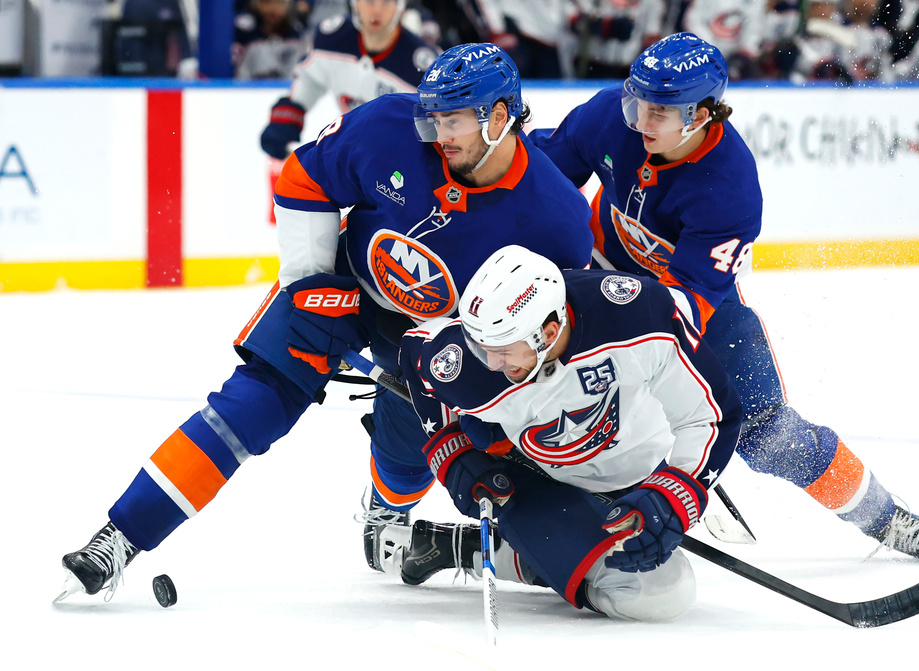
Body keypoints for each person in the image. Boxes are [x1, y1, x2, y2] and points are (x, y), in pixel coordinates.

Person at [55, 43, 595, 603]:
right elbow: (303, 178)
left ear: (499, 118)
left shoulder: (556, 218)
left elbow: (550, 326)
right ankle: (121, 536)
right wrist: (309, 284)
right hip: (343, 285)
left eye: (452, 121)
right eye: (434, 118)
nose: (438, 134)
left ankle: (387, 513)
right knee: (250, 405)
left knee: (409, 448)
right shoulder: (389, 127)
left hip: (440, 335)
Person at [529, 32, 919, 563]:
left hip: (697, 307)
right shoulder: (607, 117)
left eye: (659, 112)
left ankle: (887, 518)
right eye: (637, 102)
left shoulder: (729, 186)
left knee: (770, 435)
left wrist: (635, 367)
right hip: (592, 273)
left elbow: (683, 307)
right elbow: (537, 186)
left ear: (700, 114)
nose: (640, 121)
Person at [376, 245, 742, 621]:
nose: (491, 363)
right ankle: (477, 548)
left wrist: (676, 491)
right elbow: (418, 356)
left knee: (653, 576)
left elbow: (712, 415)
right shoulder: (470, 363)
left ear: (548, 333)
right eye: (481, 347)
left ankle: (536, 550)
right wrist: (453, 454)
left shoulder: (638, 315)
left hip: (642, 470)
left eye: (503, 351)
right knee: (661, 594)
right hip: (537, 484)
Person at [259, 0, 441, 161]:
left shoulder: (424, 67)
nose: (377, 10)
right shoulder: (332, 39)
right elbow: (311, 79)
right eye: (369, 1)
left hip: (400, 161)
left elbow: (440, 123)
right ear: (355, 4)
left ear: (400, 8)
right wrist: (287, 118)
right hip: (354, 154)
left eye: (386, 2)